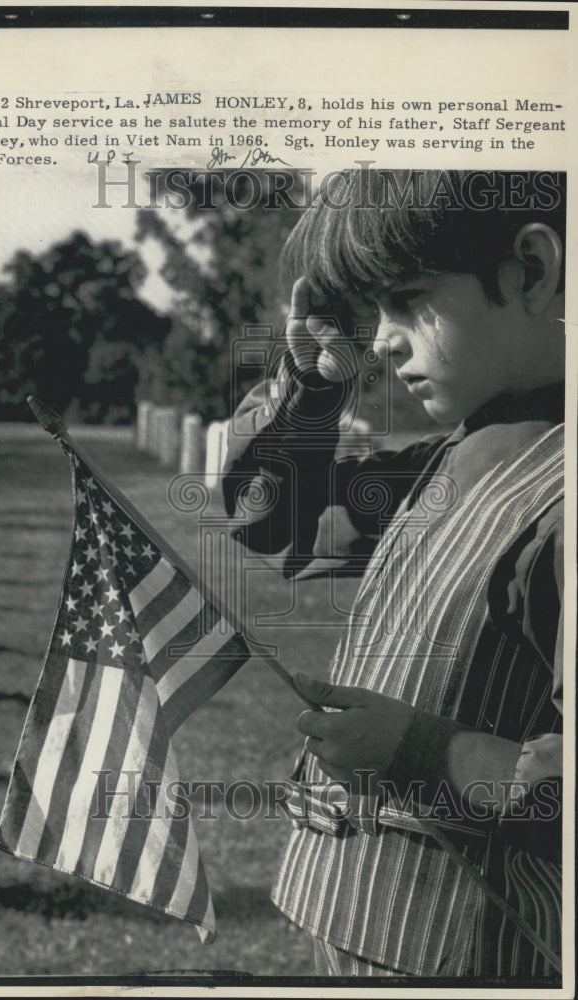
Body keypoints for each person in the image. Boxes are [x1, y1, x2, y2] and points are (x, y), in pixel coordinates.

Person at [221, 169, 565, 979]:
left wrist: (414, 749)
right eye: (371, 310)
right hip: (357, 925)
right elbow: (272, 519)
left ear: (529, 270)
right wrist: (309, 389)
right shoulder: (453, 454)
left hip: (478, 953)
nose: (379, 339)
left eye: (408, 299)